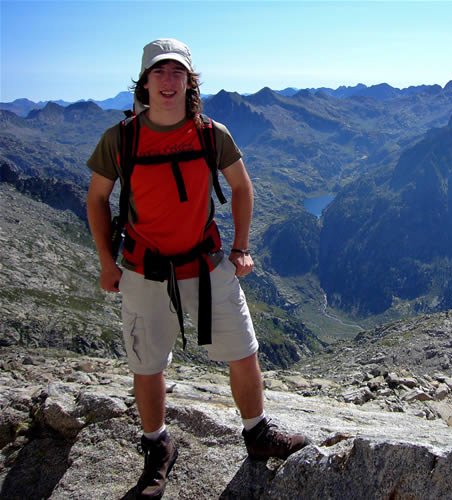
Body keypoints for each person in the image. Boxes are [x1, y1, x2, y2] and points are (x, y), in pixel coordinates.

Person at [86, 38, 308, 498]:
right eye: (159, 73)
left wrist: (241, 248)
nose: (168, 81)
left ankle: (257, 433)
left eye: (177, 73)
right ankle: (157, 447)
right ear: (144, 83)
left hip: (205, 265)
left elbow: (242, 188)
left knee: (244, 350)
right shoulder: (121, 138)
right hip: (144, 270)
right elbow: (96, 199)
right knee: (147, 365)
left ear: (190, 82)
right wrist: (108, 263)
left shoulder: (211, 133)